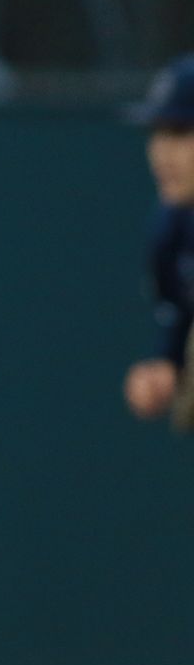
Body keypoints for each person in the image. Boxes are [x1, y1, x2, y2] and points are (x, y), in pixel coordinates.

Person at [125, 56, 194, 425]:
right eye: (157, 133)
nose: (162, 151)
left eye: (181, 132)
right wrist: (165, 367)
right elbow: (177, 317)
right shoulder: (173, 227)